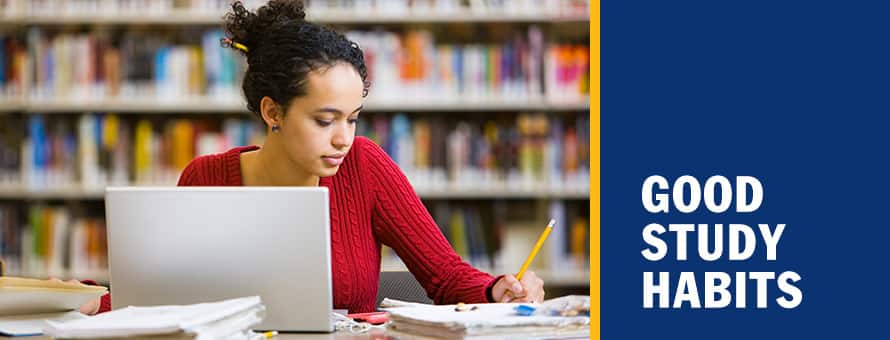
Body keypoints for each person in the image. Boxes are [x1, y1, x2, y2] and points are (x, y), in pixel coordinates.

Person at [89, 0, 545, 314]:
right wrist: (86, 302)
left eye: (353, 119)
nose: (344, 138)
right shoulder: (206, 177)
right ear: (273, 112)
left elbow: (446, 276)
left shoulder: (365, 166)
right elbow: (159, 298)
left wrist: (496, 289)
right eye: (325, 121)